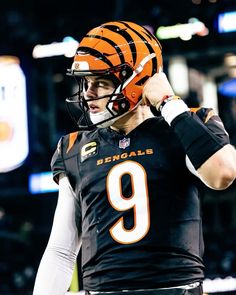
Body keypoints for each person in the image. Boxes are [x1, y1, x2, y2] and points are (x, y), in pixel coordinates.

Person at [33, 21, 236, 295]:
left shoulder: (186, 125)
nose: (88, 94)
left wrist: (168, 102)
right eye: (86, 82)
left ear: (137, 81)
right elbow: (61, 251)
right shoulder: (73, 147)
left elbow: (222, 174)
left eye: (101, 82)